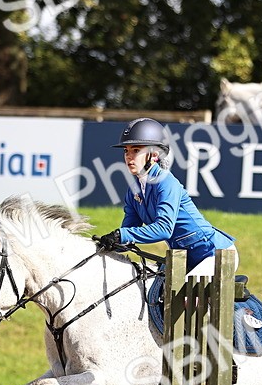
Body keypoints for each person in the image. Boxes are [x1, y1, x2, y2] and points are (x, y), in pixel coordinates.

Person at [98, 118, 236, 278]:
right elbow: (127, 235)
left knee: (184, 300)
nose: (129, 156)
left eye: (136, 150)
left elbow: (164, 229)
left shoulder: (166, 182)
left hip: (215, 254)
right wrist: (107, 245)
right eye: (126, 151)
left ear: (154, 155)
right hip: (183, 259)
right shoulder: (133, 191)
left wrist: (121, 235)